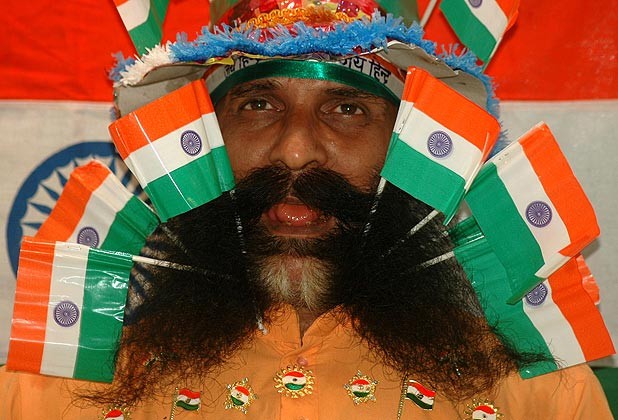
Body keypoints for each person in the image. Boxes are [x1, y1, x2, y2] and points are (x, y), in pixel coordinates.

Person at [0, 0, 614, 418]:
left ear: (410, 149)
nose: (295, 149)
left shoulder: (536, 385)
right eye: (257, 105)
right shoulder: (64, 381)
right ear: (201, 141)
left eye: (347, 109)